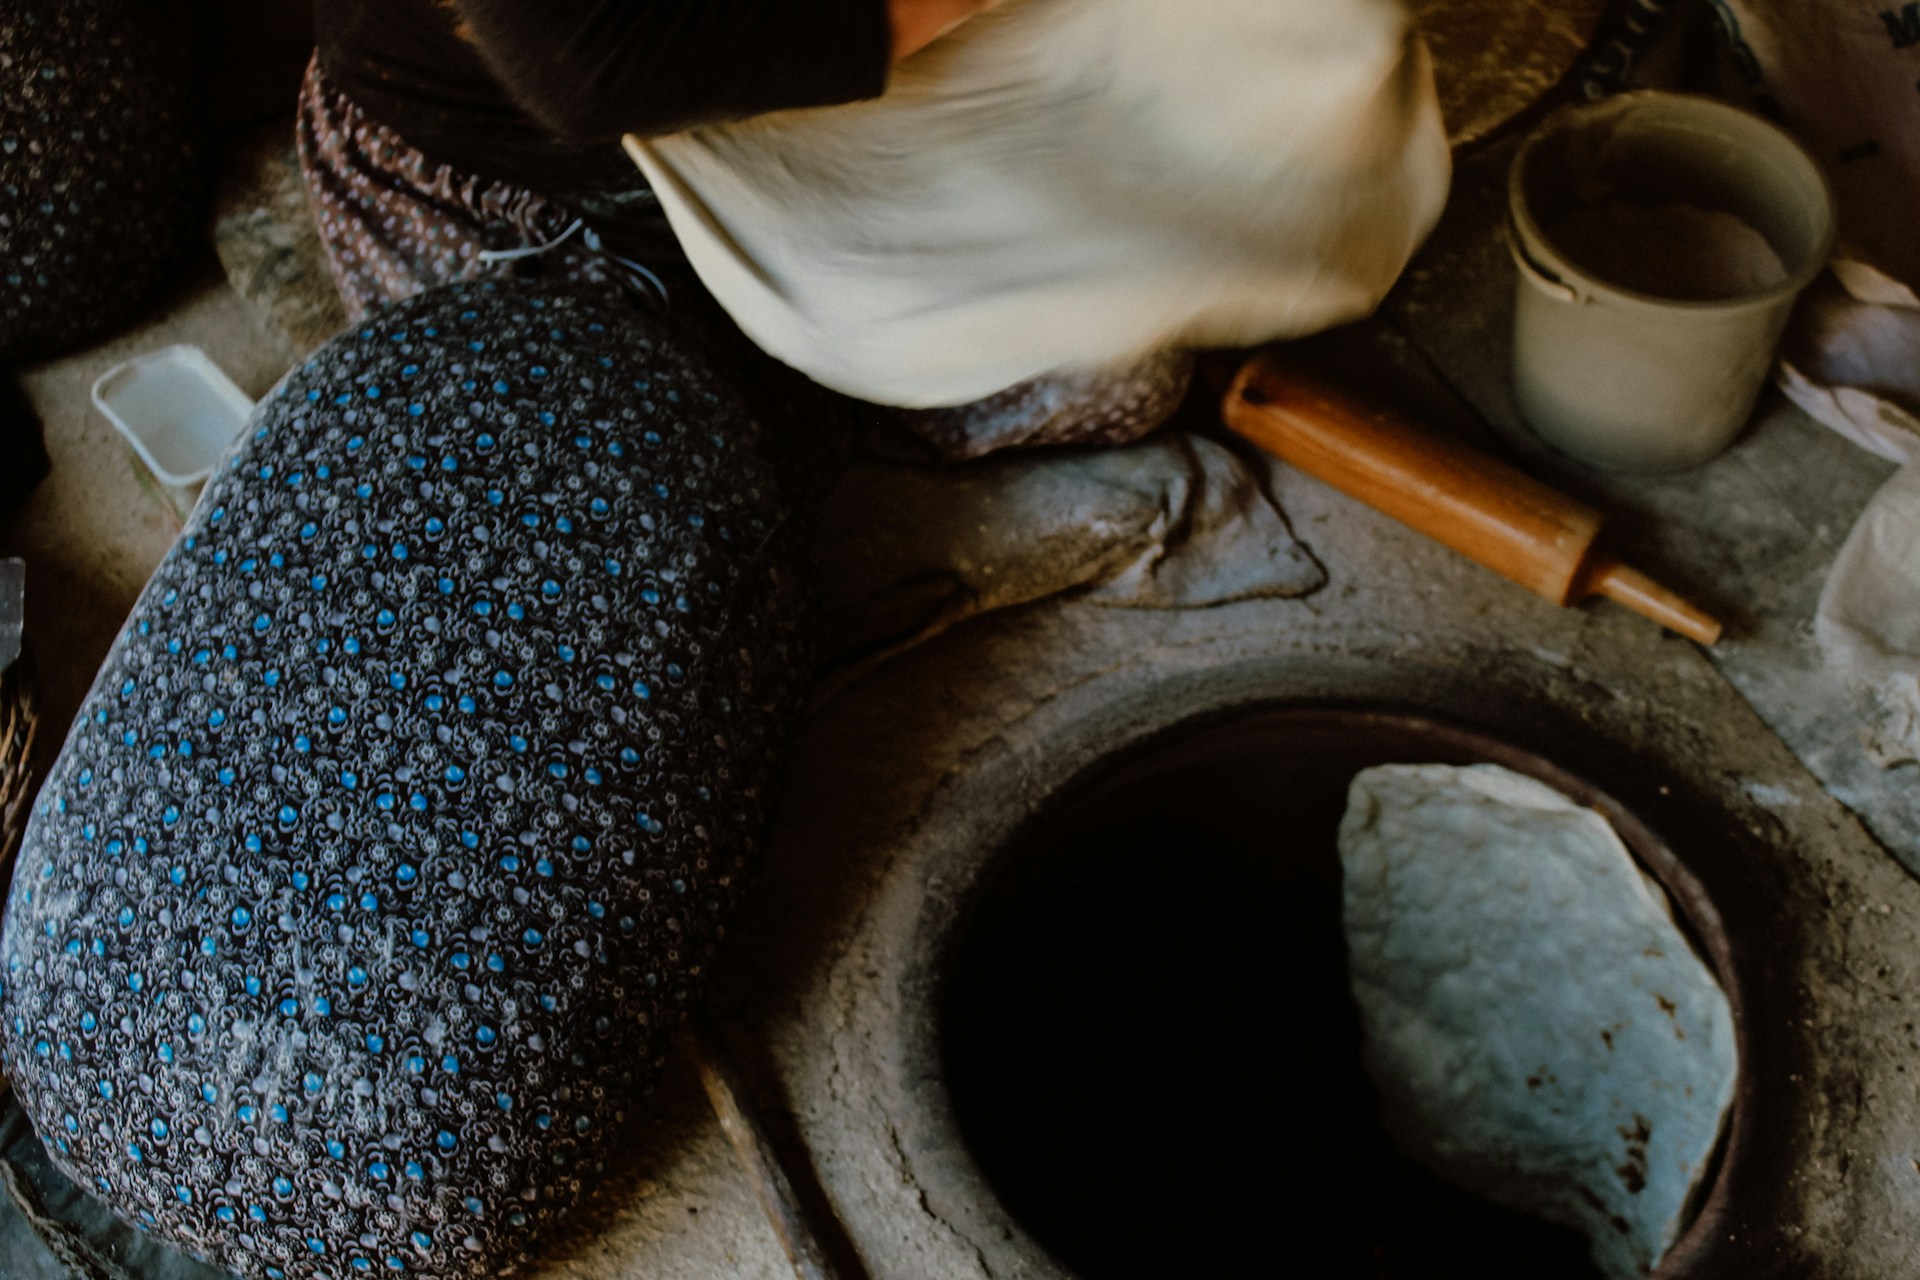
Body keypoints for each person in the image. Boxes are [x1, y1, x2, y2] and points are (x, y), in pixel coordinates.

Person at [299, 0, 1193, 461]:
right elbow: (586, 61)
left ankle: (829, 385)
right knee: (594, 500)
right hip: (517, 182)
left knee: (1124, 365)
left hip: (830, 117)